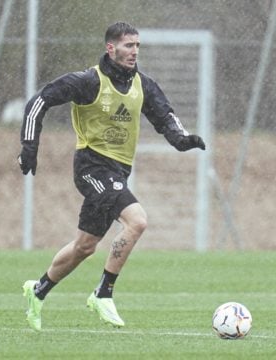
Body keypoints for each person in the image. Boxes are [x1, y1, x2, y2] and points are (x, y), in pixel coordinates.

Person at [18, 22, 205, 331]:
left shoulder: (143, 85)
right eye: (128, 45)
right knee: (137, 221)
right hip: (91, 167)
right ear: (110, 48)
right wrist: (29, 145)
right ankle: (103, 293)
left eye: (137, 46)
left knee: (85, 247)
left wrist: (182, 140)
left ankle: (37, 291)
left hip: (118, 172)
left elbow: (165, 117)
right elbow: (40, 100)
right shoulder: (88, 81)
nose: (134, 51)